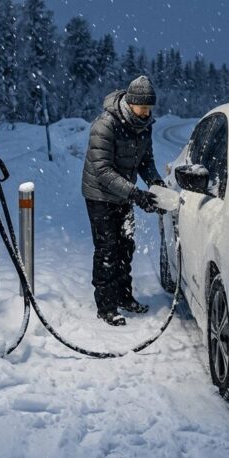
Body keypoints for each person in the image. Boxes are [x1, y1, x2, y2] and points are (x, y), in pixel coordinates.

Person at [81, 75, 165, 326]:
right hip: (100, 194)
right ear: (131, 103)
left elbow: (145, 162)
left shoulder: (144, 125)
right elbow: (103, 171)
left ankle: (124, 297)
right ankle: (106, 306)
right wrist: (135, 194)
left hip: (124, 193)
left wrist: (156, 184)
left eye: (150, 108)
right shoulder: (105, 125)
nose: (147, 112)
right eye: (143, 107)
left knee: (125, 246)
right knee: (108, 249)